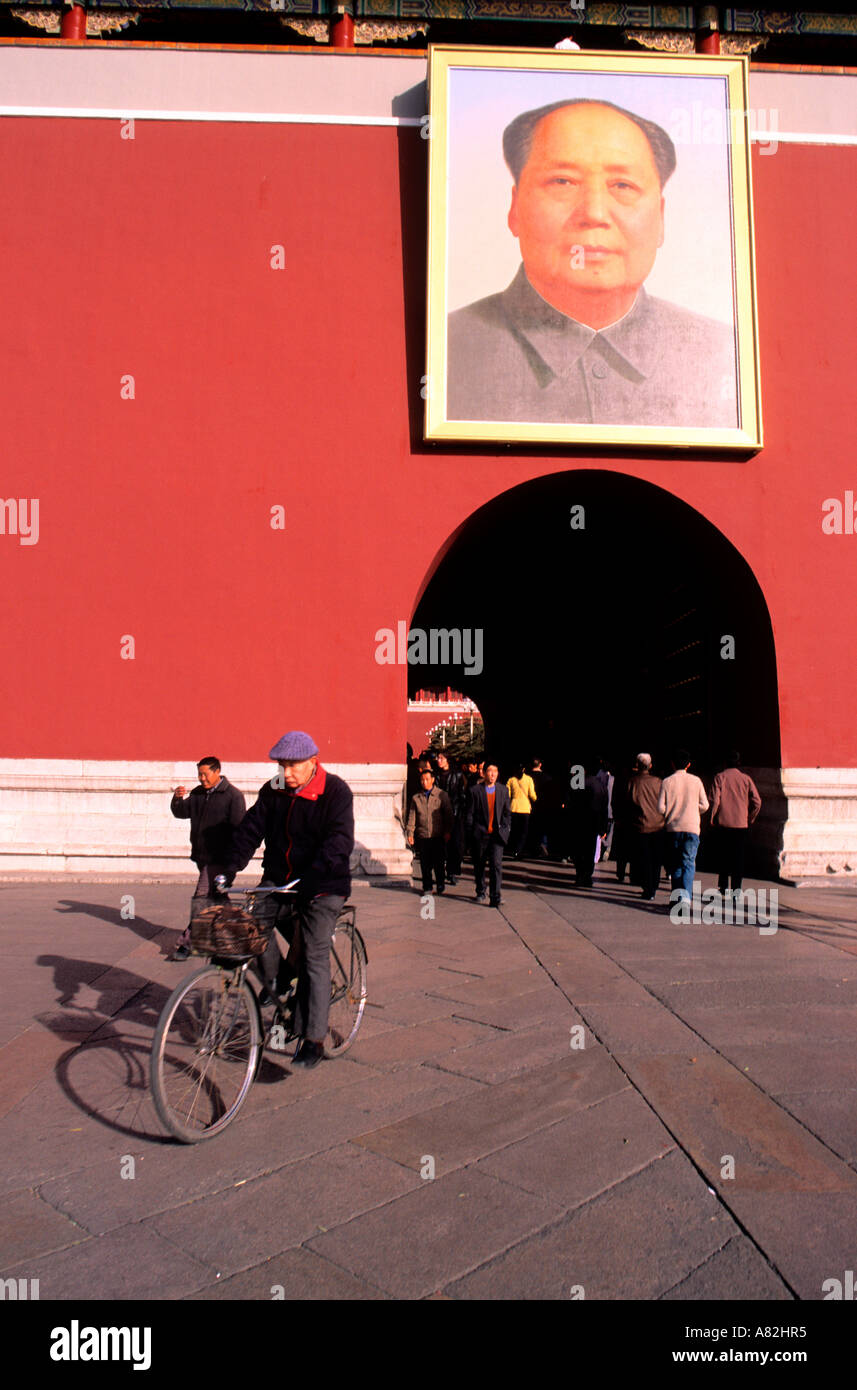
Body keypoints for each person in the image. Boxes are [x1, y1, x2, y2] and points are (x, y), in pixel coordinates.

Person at [447, 98, 738, 429]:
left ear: (661, 217)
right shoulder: (447, 351)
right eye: (563, 182)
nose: (595, 214)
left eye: (623, 186)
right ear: (515, 209)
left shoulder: (723, 355)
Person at [222, 730, 354, 1070]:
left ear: (313, 761)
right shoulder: (274, 790)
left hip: (323, 884)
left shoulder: (335, 792)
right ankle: (281, 979)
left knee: (313, 954)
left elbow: (339, 840)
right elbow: (251, 829)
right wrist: (228, 870)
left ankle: (314, 1038)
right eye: (282, 765)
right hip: (280, 880)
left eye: (293, 765)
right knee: (249, 930)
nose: (287, 773)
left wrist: (314, 875)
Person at [169, 757, 246, 961]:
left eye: (206, 774)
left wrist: (234, 862)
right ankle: (239, 935)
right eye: (199, 775)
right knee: (218, 899)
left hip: (220, 859)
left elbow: (240, 830)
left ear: (217, 771)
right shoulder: (197, 793)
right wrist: (177, 799)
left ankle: (188, 943)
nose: (202, 779)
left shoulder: (233, 796)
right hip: (201, 856)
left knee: (201, 897)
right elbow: (181, 812)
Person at [658, 748, 709, 906]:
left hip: (673, 828)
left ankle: (676, 899)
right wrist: (694, 809)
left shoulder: (667, 782)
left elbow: (660, 808)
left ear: (673, 764)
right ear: (688, 765)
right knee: (688, 862)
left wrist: (670, 812)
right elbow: (705, 805)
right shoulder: (696, 781)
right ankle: (685, 899)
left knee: (675, 864)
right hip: (692, 827)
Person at [709, 751, 762, 894]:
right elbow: (757, 802)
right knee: (738, 858)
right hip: (740, 824)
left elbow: (715, 800)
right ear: (739, 763)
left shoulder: (719, 777)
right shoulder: (746, 779)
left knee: (723, 856)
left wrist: (712, 817)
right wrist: (750, 817)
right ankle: (736, 890)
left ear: (725, 763)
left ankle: (723, 886)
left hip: (724, 823)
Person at [466, 762, 511, 906]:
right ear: (484, 773)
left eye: (495, 771)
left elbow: (506, 813)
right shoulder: (475, 791)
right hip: (481, 834)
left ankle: (495, 896)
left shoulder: (503, 790)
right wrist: (472, 832)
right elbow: (470, 814)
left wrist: (506, 829)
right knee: (479, 864)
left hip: (497, 835)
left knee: (496, 865)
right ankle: (480, 891)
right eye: (490, 771)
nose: (492, 774)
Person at [406, 766, 453, 895]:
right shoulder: (416, 798)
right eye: (422, 780)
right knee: (425, 863)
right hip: (423, 835)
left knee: (438, 862)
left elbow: (448, 815)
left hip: (438, 835)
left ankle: (440, 883)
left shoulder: (441, 795)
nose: (424, 782)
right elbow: (412, 817)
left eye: (427, 779)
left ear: (432, 780)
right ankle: (427, 886)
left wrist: (448, 831)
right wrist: (410, 833)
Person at [625, 752, 665, 900]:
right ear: (650, 765)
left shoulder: (633, 782)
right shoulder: (658, 782)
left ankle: (648, 888)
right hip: (658, 825)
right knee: (656, 859)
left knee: (644, 858)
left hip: (640, 825)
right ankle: (653, 885)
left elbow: (627, 804)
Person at [506, 762, 537, 858]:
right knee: (523, 832)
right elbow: (532, 795)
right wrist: (535, 799)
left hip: (514, 807)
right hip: (525, 808)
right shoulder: (529, 779)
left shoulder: (511, 780)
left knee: (514, 830)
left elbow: (508, 795)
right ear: (524, 769)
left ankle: (512, 848)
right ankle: (518, 850)